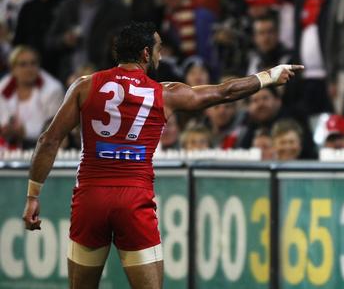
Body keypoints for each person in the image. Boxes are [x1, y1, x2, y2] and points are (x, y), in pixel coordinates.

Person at [22, 22, 301, 289]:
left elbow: (49, 140)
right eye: (158, 48)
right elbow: (224, 92)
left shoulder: (85, 85)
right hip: (134, 201)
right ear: (146, 53)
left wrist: (33, 196)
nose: (160, 53)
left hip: (90, 197)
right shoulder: (164, 93)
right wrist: (270, 76)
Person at [0, 46, 64, 149]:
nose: (29, 69)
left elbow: (55, 129)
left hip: (42, 148)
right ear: (13, 69)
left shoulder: (53, 89)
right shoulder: (2, 88)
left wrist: (24, 132)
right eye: (23, 64)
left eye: (33, 63)